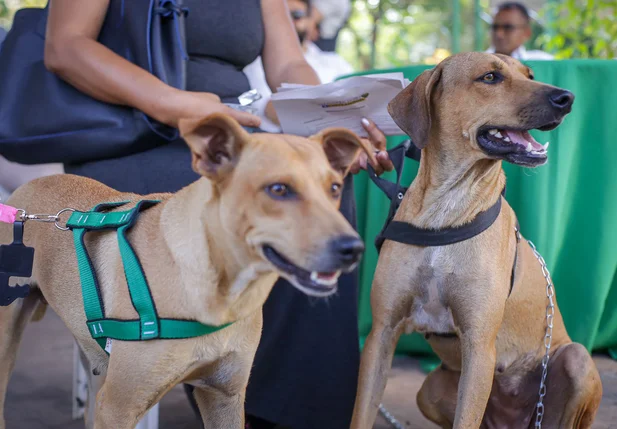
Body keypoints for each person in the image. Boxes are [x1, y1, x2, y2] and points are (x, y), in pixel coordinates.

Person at [41, 1, 392, 429]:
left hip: (234, 131)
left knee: (323, 186)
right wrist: (178, 106)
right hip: (130, 134)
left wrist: (334, 121)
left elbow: (288, 65)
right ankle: (197, 364)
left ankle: (285, 412)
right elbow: (66, 46)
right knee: (243, 198)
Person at [243, 0, 355, 133]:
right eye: (279, 16)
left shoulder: (337, 63)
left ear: (312, 22)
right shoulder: (251, 63)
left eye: (296, 15)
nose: (286, 22)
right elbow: (263, 106)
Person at [486, 2, 553, 60]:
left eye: (508, 27)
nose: (499, 34)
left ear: (527, 33)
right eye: (495, 27)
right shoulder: (477, 64)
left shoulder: (543, 62)